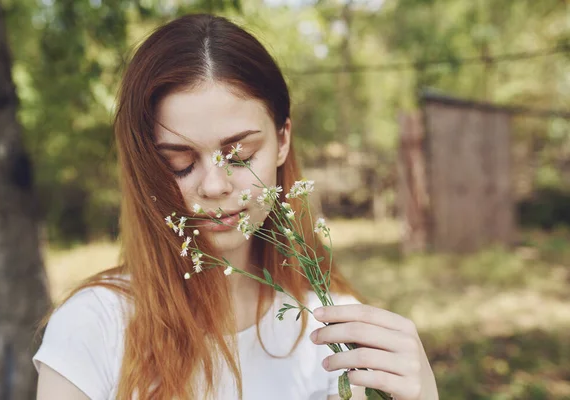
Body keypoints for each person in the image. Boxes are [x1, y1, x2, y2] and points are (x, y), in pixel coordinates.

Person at [33, 13, 439, 400]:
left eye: (240, 154)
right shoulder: (93, 327)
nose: (213, 185)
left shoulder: (331, 325)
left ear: (282, 141)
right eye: (180, 163)